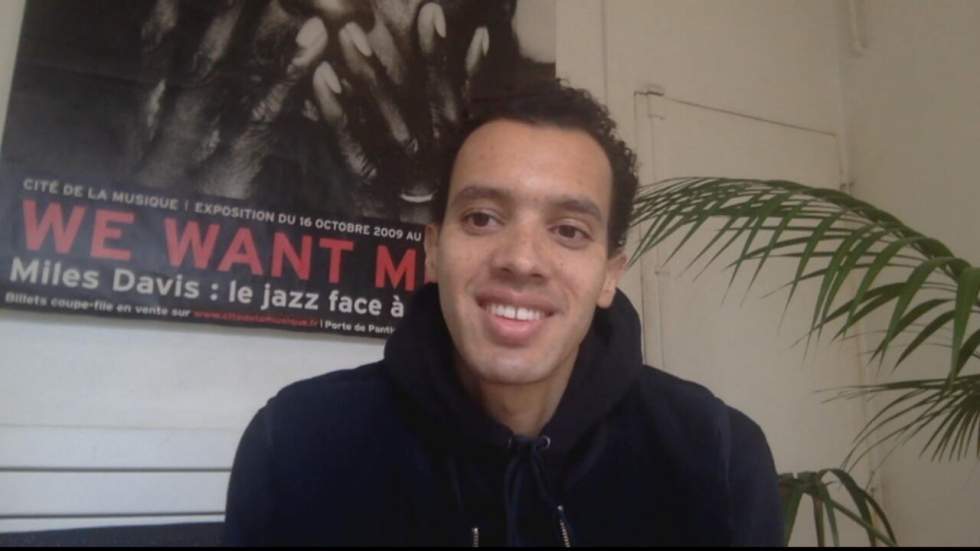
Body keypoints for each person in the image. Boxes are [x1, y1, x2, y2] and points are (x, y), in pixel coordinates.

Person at [223, 79, 784, 546]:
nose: (521, 260)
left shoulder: (717, 456)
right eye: (482, 218)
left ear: (610, 274)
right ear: (433, 250)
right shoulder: (295, 443)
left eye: (569, 230)